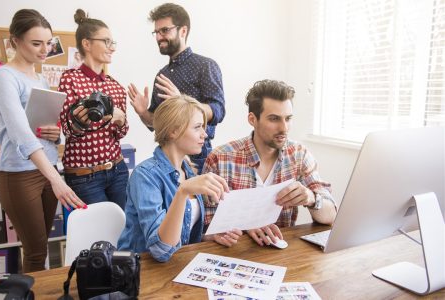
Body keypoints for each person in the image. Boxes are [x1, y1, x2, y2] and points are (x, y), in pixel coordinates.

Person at [0, 9, 86, 273]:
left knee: (44, 245)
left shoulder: (41, 78)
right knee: (35, 251)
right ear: (14, 42)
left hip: (47, 169)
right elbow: (20, 132)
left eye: (48, 43)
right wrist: (56, 179)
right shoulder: (4, 77)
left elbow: (43, 127)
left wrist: (56, 134)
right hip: (19, 174)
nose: (45, 50)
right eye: (36, 43)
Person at [203, 80, 337, 247]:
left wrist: (311, 198)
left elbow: (330, 216)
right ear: (252, 119)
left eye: (288, 119)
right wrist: (245, 228)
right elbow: (204, 228)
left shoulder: (299, 155)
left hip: (284, 255)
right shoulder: (220, 158)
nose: (284, 128)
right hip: (234, 255)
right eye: (274, 119)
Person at [118, 95, 241, 262]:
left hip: (177, 265)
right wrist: (182, 192)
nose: (204, 134)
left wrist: (207, 237)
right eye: (197, 127)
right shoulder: (144, 176)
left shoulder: (188, 170)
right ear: (173, 131)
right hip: (139, 270)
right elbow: (161, 251)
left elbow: (180, 236)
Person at [128, 3, 225, 173]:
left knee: (196, 201)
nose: (159, 37)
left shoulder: (206, 66)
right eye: (156, 32)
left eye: (164, 30)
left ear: (183, 31)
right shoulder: (162, 74)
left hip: (197, 155)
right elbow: (156, 124)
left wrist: (182, 101)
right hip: (166, 157)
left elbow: (218, 111)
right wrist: (143, 112)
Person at [58, 9, 129, 208]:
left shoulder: (115, 86)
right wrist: (83, 120)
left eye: (112, 42)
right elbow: (68, 131)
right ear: (87, 44)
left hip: (117, 170)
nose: (112, 48)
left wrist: (120, 120)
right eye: (106, 41)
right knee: (101, 235)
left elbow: (121, 133)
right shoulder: (69, 79)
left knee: (124, 228)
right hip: (84, 177)